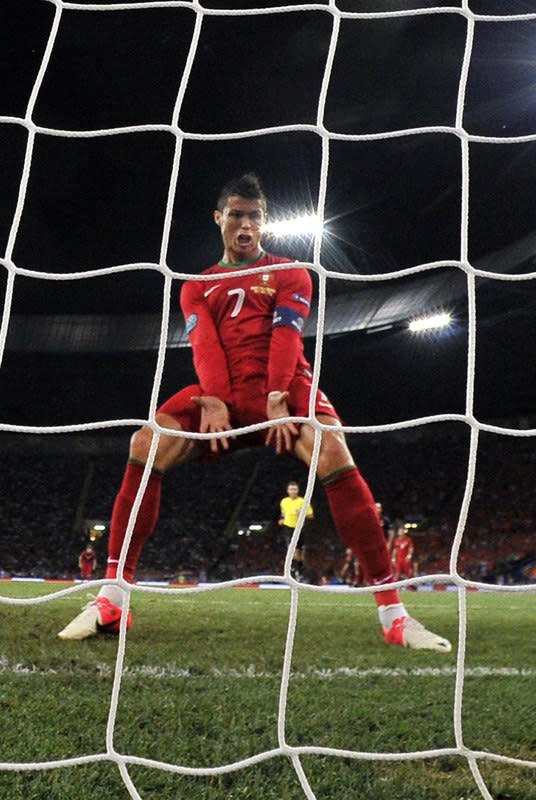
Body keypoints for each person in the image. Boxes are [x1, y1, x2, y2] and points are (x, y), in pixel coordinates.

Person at [58, 173, 451, 652]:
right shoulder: (196, 286)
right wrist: (218, 400)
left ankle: (394, 614)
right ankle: (113, 599)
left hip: (285, 390)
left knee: (332, 450)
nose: (246, 225)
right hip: (219, 399)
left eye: (255, 217)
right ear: (219, 218)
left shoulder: (291, 272)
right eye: (237, 215)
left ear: (265, 223)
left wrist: (275, 396)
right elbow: (204, 345)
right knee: (146, 441)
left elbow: (286, 335)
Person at [278, 481, 313, 581]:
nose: (293, 491)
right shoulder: (284, 501)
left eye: (295, 489)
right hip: (289, 528)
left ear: (298, 490)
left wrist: (302, 513)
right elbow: (283, 513)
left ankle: (300, 571)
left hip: (300, 528)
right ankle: (295, 572)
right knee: (293, 550)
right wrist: (282, 519)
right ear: (287, 491)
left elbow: (311, 515)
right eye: (291, 489)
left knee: (301, 553)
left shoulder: (303, 501)